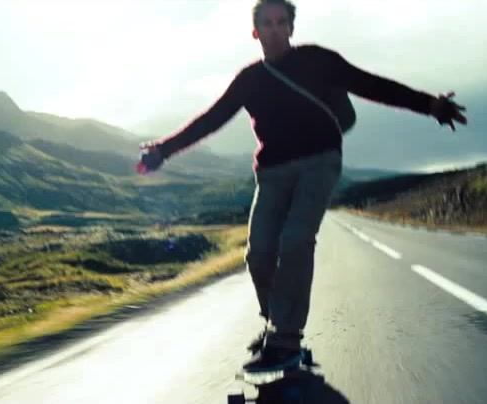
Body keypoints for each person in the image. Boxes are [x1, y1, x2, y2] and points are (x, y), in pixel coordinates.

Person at [136, 0, 468, 373]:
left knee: (295, 240)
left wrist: (430, 105)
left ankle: (286, 339)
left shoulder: (317, 59)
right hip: (272, 172)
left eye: (282, 22)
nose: (275, 29)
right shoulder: (249, 80)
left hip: (319, 161)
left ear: (292, 29)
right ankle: (276, 325)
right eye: (267, 23)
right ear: (255, 32)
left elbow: (370, 85)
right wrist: (162, 150)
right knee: (259, 253)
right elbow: (210, 120)